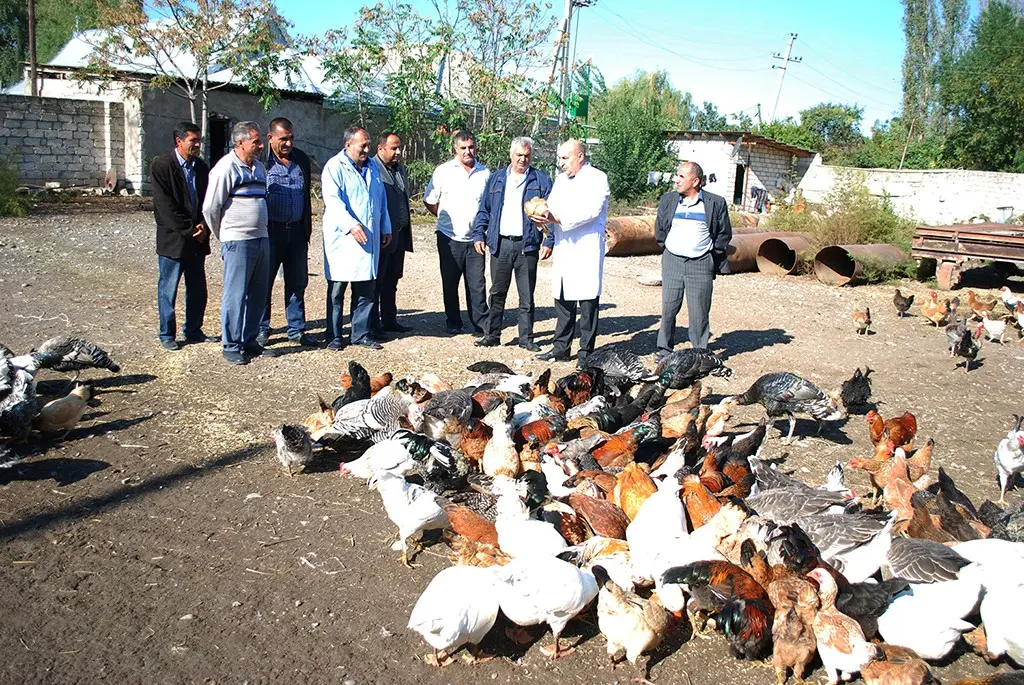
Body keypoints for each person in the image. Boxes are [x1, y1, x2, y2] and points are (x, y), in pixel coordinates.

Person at [531, 140, 610, 368]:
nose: (561, 163)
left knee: (587, 302)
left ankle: (586, 352)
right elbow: (552, 207)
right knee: (563, 299)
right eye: (560, 158)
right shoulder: (561, 181)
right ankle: (561, 348)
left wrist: (556, 219)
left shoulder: (597, 178)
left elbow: (591, 211)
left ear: (580, 156)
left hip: (586, 247)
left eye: (565, 158)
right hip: (565, 247)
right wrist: (541, 218)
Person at [203, 121, 275, 365]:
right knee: (235, 295)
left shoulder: (259, 168)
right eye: (255, 141)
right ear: (240, 142)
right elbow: (211, 207)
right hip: (237, 240)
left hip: (261, 238)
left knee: (258, 294)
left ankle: (250, 340)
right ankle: (231, 344)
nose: (261, 145)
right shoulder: (225, 168)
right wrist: (224, 235)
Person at [471, 136, 552, 351]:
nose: (523, 159)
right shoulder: (496, 179)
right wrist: (479, 235)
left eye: (527, 155)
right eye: (519, 155)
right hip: (501, 244)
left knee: (526, 296)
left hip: (528, 246)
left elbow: (553, 214)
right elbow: (484, 210)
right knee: (497, 292)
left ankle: (526, 339)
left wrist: (549, 240)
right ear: (511, 154)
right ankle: (492, 335)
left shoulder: (541, 180)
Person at [322, 126, 392, 351]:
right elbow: (333, 202)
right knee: (337, 290)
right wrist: (351, 225)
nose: (367, 149)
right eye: (363, 145)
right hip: (343, 238)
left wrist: (385, 226)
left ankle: (360, 334)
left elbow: (380, 201)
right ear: (348, 145)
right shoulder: (334, 167)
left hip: (369, 236)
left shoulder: (372, 167)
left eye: (368, 145)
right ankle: (334, 335)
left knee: (366, 289)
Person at [654, 161, 732, 361]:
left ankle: (700, 352)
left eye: (681, 176)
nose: (676, 180)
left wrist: (709, 254)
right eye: (677, 175)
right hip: (672, 261)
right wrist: (670, 247)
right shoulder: (668, 200)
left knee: (699, 311)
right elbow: (660, 230)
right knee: (669, 307)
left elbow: (724, 234)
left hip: (701, 263)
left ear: (695, 181)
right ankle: (664, 351)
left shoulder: (715, 203)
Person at [150, 121, 218, 351]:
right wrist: (190, 229)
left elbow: (207, 202)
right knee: (168, 289)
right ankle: (167, 334)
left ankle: (193, 330)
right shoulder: (161, 166)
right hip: (174, 239)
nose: (198, 144)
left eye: (199, 140)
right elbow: (165, 206)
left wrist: (203, 226)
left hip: (197, 240)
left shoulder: (201, 167)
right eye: (193, 140)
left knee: (197, 288)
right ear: (179, 141)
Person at [258, 117, 317, 348]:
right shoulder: (262, 162)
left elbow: (306, 195)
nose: (288, 143)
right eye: (283, 138)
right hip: (271, 231)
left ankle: (297, 329)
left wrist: (306, 230)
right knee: (264, 283)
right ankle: (262, 328)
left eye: (291, 138)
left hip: (296, 232)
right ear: (270, 137)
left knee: (297, 282)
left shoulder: (301, 159)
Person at [423, 130, 490, 336]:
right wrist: (445, 220)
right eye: (463, 148)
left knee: (477, 284)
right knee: (450, 282)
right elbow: (430, 200)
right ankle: (453, 321)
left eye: (471, 147)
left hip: (475, 239)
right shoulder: (443, 171)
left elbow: (488, 205)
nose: (467, 151)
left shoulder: (485, 173)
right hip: (449, 237)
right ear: (455, 149)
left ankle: (480, 322)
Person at [371, 132, 413, 334]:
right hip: (382, 236)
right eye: (393, 148)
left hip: (399, 235)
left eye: (399, 148)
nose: (398, 152)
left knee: (392, 280)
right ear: (380, 149)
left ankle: (389, 319)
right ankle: (373, 324)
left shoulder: (399, 170)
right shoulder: (372, 169)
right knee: (376, 282)